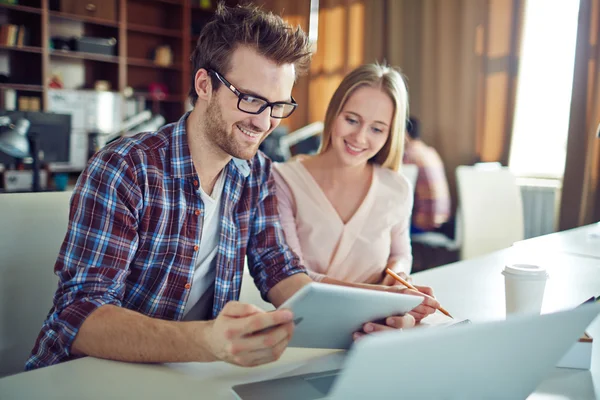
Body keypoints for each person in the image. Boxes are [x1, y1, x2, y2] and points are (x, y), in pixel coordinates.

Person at [26, 5, 435, 371]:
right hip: (81, 377)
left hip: (178, 376)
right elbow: (78, 317)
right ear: (204, 85)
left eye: (278, 106)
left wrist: (385, 310)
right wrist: (207, 341)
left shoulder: (255, 173)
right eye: (251, 100)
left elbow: (284, 276)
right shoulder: (126, 168)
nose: (264, 122)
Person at [272, 64, 440, 333]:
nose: (360, 137)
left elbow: (401, 254)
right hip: (304, 330)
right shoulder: (284, 180)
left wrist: (398, 280)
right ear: (333, 114)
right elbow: (292, 278)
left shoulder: (397, 187)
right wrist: (380, 296)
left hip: (374, 329)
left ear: (389, 135)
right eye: (351, 120)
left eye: (377, 129)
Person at [403, 117, 451, 233]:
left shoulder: (409, 155)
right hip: (442, 221)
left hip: (422, 224)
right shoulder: (430, 152)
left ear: (404, 134)